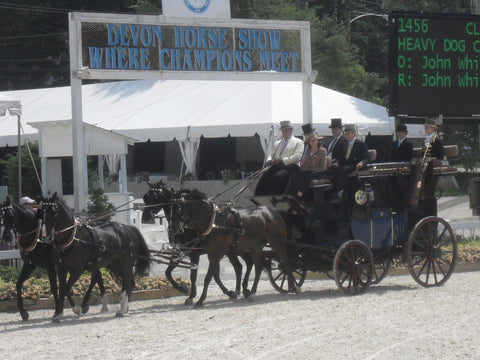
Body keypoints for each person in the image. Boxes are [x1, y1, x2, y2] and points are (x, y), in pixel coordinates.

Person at [255, 120, 304, 195]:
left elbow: (297, 157)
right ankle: (260, 197)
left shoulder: (298, 142)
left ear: (291, 130)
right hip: (278, 166)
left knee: (277, 177)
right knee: (265, 177)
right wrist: (269, 161)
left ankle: (276, 196)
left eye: (285, 130)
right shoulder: (277, 143)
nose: (283, 132)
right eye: (282, 131)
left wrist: (282, 160)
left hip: (291, 166)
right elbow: (271, 155)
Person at [285, 123, 327, 200]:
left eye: (314, 140)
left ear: (317, 141)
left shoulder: (322, 151)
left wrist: (310, 168)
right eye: (310, 141)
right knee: (294, 175)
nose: (312, 142)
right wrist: (304, 167)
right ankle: (289, 194)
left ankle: (299, 195)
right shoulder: (308, 150)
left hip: (317, 173)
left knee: (304, 177)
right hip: (307, 171)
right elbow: (306, 162)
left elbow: (323, 167)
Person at [329, 123, 368, 203]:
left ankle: (340, 191)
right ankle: (334, 190)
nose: (346, 135)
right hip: (345, 164)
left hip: (355, 164)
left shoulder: (360, 144)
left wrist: (361, 163)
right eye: (345, 133)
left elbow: (365, 157)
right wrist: (336, 162)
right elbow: (340, 157)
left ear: (353, 133)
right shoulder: (344, 144)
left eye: (348, 133)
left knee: (342, 170)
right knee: (332, 169)